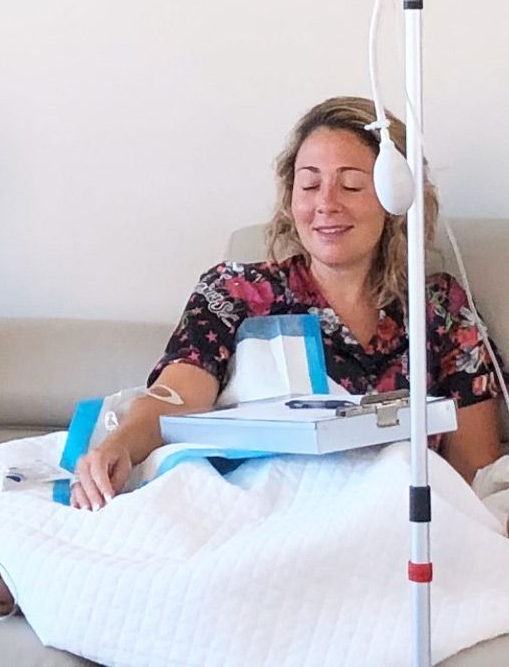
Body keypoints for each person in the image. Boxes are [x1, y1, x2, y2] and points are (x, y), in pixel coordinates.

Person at [72, 95, 504, 511]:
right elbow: (175, 398)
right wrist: (119, 447)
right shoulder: (236, 292)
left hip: (389, 530)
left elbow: (472, 474)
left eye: (351, 184)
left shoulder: (441, 310)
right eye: (310, 184)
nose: (325, 204)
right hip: (260, 516)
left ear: (396, 197)